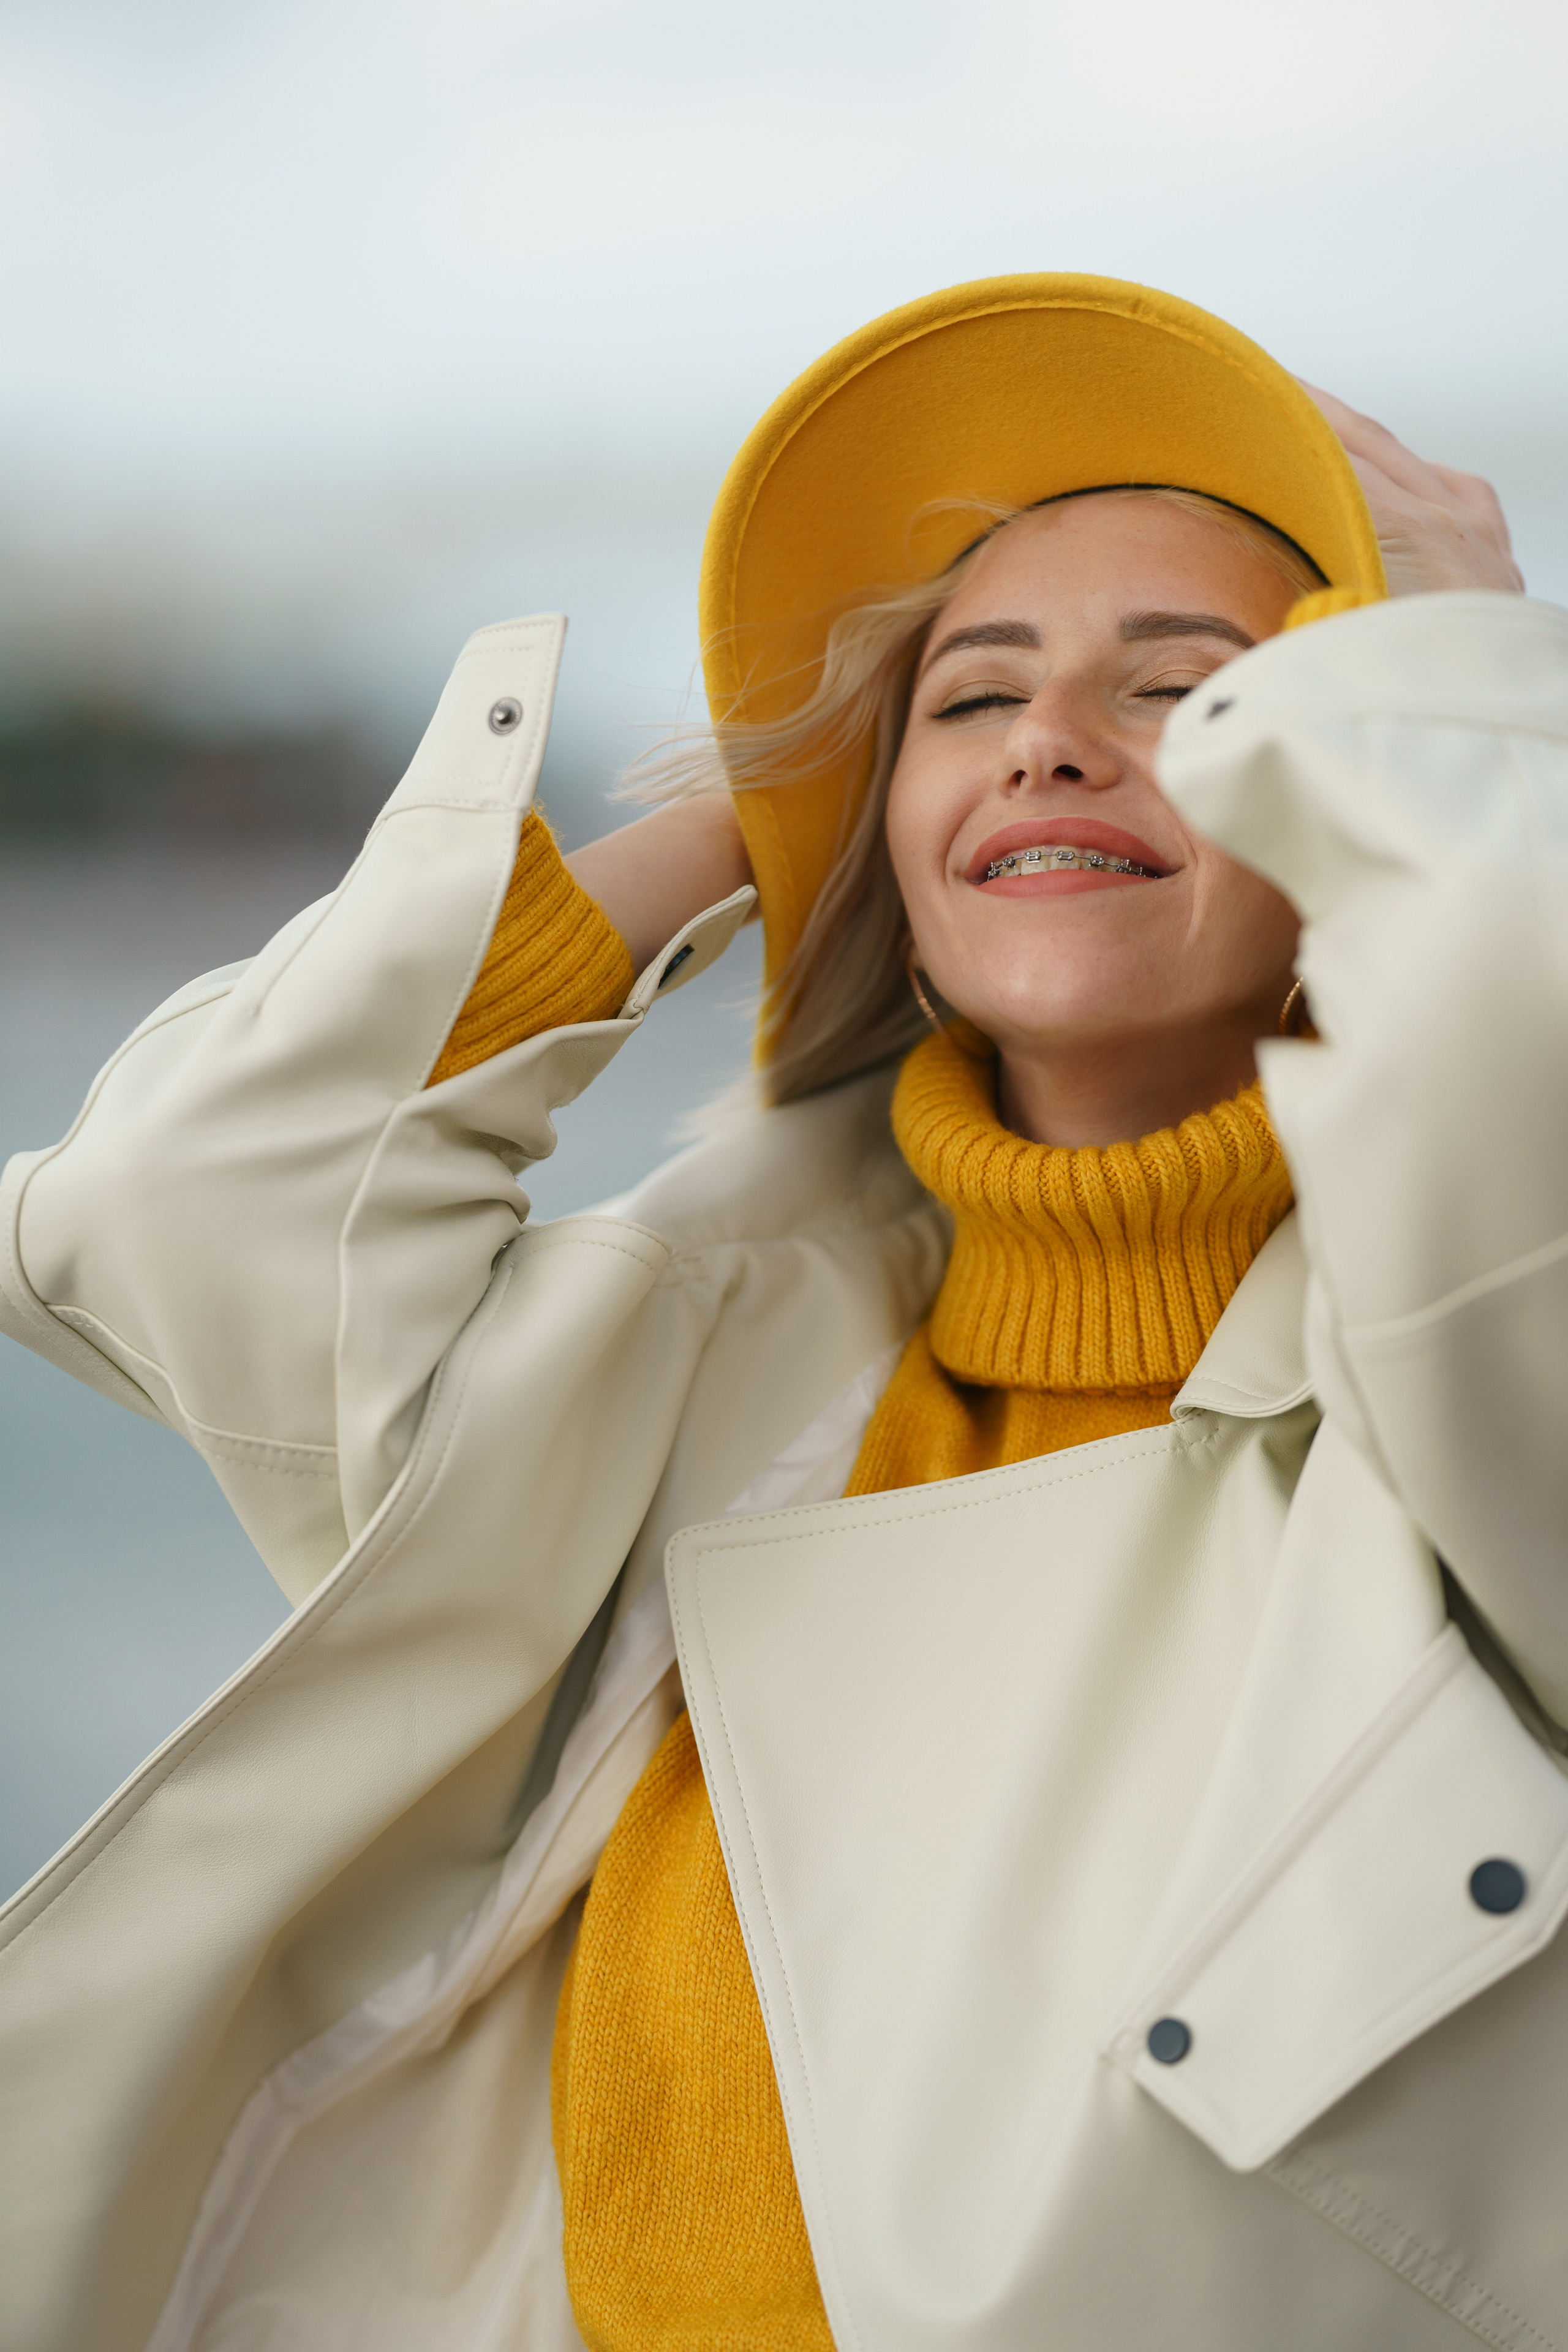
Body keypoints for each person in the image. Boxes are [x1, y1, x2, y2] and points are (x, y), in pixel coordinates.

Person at [0, 273, 1561, 2352]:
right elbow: (171, 1205)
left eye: (1200, 696)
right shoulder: (674, 1374)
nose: (1058, 741)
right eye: (974, 701)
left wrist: (1467, 676)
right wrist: (778, 802)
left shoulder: (1479, 1396)